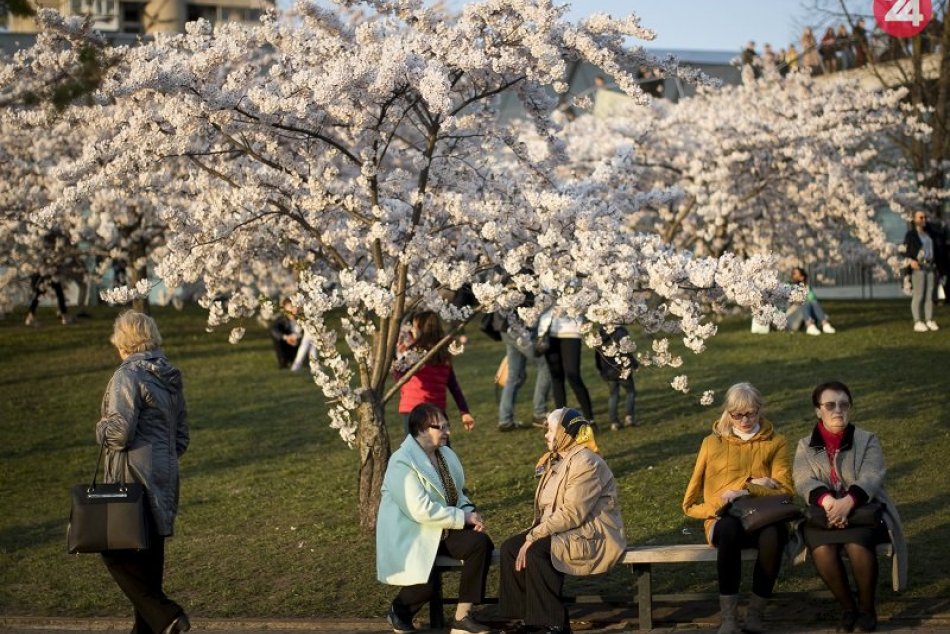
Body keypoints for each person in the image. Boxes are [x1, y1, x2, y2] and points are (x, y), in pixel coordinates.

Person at [96, 311, 191, 634]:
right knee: (148, 566)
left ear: (122, 341)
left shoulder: (128, 376)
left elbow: (119, 434)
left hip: (132, 479)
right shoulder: (169, 376)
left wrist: (100, 429)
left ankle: (167, 615)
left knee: (114, 552)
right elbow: (181, 438)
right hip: (165, 478)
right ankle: (157, 624)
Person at [793, 381, 907, 633]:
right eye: (830, 405)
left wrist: (847, 502)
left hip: (863, 512)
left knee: (857, 545)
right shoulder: (805, 445)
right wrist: (830, 503)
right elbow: (803, 479)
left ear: (850, 408)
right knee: (822, 549)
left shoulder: (867, 440)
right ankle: (848, 608)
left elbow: (872, 476)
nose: (837, 410)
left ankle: (866, 609)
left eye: (844, 404)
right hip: (824, 514)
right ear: (818, 410)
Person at [499, 408, 625, 634]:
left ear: (565, 433)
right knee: (510, 548)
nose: (546, 435)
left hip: (592, 533)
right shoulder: (557, 461)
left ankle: (553, 623)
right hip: (566, 529)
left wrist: (535, 535)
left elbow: (573, 512)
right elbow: (548, 510)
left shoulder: (586, 461)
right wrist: (532, 534)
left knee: (537, 552)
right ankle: (526, 619)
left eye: (550, 429)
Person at [682, 383, 794, 634]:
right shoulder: (712, 443)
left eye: (751, 413)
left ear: (760, 410)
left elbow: (786, 492)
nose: (745, 420)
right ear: (728, 413)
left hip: (765, 517)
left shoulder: (776, 442)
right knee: (730, 531)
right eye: (737, 414)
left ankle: (755, 614)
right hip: (725, 518)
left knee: (774, 535)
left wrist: (748, 488)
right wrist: (720, 505)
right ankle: (729, 618)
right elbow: (688, 504)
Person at [376, 403, 494, 634]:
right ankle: (398, 612)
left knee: (480, 544)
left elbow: (456, 492)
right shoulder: (401, 462)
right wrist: (463, 517)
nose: (447, 431)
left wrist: (471, 512)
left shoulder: (445, 454)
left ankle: (463, 619)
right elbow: (420, 510)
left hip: (441, 529)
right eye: (441, 427)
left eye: (447, 426)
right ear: (421, 430)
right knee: (426, 587)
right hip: (413, 534)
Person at [395, 311, 475, 436]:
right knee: (441, 449)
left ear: (421, 330)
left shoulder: (414, 353)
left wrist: (399, 358)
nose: (412, 331)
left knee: (416, 451)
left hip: (413, 409)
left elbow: (399, 378)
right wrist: (464, 411)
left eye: (414, 328)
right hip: (436, 410)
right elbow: (453, 386)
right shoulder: (443, 354)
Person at [537, 308, 594, 422]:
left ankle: (589, 418)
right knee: (556, 378)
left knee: (573, 376)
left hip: (571, 331)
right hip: (549, 331)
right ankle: (561, 421)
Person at [497, 315, 553, 432]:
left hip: (507, 329)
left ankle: (505, 420)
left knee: (514, 376)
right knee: (546, 366)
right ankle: (539, 412)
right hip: (519, 330)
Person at [594, 325, 639, 430]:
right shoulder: (621, 331)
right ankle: (629, 417)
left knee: (613, 395)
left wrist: (600, 369)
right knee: (630, 392)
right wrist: (634, 363)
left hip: (608, 370)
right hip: (622, 368)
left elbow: (597, 354)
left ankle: (614, 422)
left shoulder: (600, 333)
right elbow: (626, 350)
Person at [903, 210, 941, 332]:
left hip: (929, 266)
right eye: (920, 217)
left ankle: (929, 319)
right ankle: (917, 321)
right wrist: (911, 261)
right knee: (919, 295)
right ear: (914, 219)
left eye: (924, 217)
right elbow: (906, 250)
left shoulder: (928, 234)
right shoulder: (911, 235)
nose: (923, 219)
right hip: (918, 267)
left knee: (929, 295)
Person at [786, 267, 836, 335]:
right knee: (804, 301)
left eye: (796, 273)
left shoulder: (807, 287)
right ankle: (810, 325)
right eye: (793, 273)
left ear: (802, 277)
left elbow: (812, 298)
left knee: (813, 301)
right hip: (792, 317)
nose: (793, 275)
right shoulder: (789, 286)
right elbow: (791, 302)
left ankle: (825, 324)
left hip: (805, 314)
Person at [269, 297, 301, 368]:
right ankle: (283, 360)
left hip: (299, 345)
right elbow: (273, 330)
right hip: (287, 345)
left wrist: (296, 338)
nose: (293, 309)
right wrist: (286, 337)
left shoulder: (303, 318)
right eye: (290, 307)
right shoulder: (281, 320)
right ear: (284, 309)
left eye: (294, 306)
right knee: (276, 335)